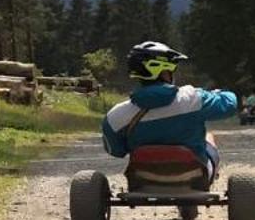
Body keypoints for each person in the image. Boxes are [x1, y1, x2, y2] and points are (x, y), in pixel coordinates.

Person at [102, 41, 238, 178]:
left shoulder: (115, 116)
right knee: (209, 137)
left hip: (143, 180)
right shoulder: (193, 99)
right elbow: (230, 105)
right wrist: (222, 92)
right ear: (164, 71)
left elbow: (116, 151)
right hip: (194, 177)